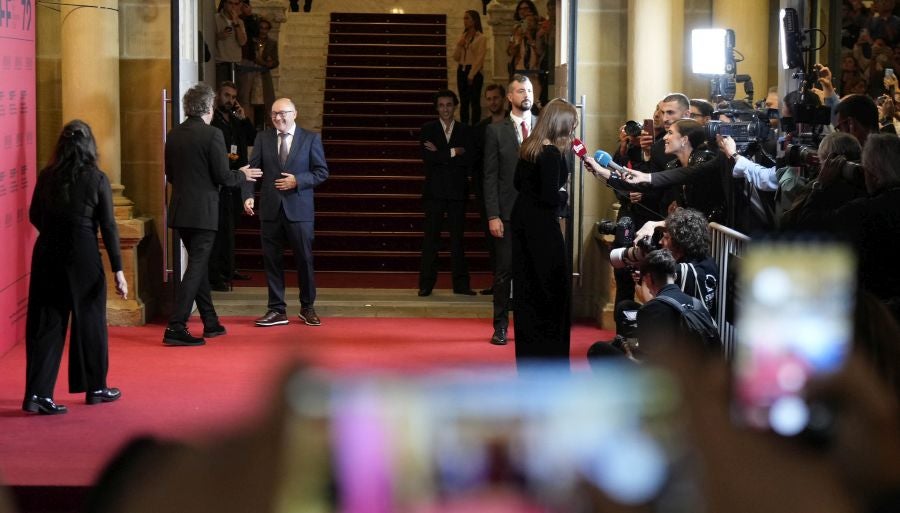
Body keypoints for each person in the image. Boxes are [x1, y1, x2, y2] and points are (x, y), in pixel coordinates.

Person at [23, 120, 128, 415]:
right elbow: (108, 226)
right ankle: (95, 387)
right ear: (89, 146)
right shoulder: (97, 178)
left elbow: (34, 215)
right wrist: (118, 269)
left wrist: (54, 233)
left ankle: (37, 394)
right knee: (90, 322)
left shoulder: (46, 176)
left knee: (47, 324)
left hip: (46, 254)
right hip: (83, 254)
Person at [165, 83, 262, 346]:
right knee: (197, 267)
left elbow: (171, 175)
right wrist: (241, 174)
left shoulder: (173, 134)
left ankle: (210, 322)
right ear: (208, 107)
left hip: (181, 211)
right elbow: (223, 176)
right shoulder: (212, 134)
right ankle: (176, 326)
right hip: (204, 213)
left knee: (198, 266)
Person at [242, 98, 329, 327]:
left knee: (304, 260)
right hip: (271, 209)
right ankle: (276, 309)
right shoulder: (263, 138)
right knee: (272, 261)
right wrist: (248, 194)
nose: (278, 118)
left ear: (294, 114)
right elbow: (253, 170)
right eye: (273, 114)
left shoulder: (310, 139)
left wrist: (297, 181)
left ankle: (307, 307)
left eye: (282, 113)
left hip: (299, 210)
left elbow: (321, 172)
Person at [510, 98, 574, 363]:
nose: (572, 131)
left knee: (527, 289)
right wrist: (563, 197)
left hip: (522, 221)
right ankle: (552, 355)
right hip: (543, 228)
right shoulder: (550, 154)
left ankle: (529, 354)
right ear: (560, 124)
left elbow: (516, 183)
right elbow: (550, 197)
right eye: (571, 125)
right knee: (553, 290)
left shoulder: (529, 147)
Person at [483, 75, 535, 345]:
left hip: (537, 213)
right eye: (520, 91)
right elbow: (490, 176)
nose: (526, 94)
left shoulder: (542, 127)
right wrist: (493, 214)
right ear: (509, 97)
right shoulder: (496, 131)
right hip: (507, 213)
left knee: (532, 272)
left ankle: (529, 325)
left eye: (529, 90)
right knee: (504, 272)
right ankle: (500, 326)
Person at [417, 89, 476, 297]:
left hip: (458, 193)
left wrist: (440, 154)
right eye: (441, 105)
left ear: (455, 106)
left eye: (449, 105)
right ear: (436, 108)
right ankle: (426, 284)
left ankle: (461, 285)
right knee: (431, 239)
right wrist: (453, 152)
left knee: (458, 240)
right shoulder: (427, 129)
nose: (445, 109)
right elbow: (428, 159)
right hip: (434, 193)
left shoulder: (465, 130)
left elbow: (468, 161)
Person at [209, 81, 257, 292]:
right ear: (218, 96)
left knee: (231, 227)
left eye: (233, 97)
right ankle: (217, 273)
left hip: (238, 178)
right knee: (220, 230)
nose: (230, 100)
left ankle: (229, 268)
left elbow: (253, 137)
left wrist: (244, 117)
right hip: (221, 180)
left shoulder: (236, 120)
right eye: (226, 96)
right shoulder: (213, 121)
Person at [635, 249, 718, 358]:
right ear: (675, 276)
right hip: (701, 373)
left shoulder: (648, 311)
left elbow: (646, 358)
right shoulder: (697, 304)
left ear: (649, 278)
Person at [472, 83, 508, 296]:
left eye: (496, 98)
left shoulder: (512, 125)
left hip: (509, 191)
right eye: (489, 98)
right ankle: (498, 283)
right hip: (487, 192)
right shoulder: (481, 128)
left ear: (503, 99)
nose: (493, 102)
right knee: (492, 241)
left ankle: (510, 286)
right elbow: (477, 163)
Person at [238, 17, 279, 129]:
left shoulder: (272, 43)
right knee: (248, 100)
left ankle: (264, 127)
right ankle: (249, 127)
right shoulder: (251, 41)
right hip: (250, 73)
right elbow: (251, 57)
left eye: (265, 28)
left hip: (264, 76)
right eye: (261, 28)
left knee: (265, 102)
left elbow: (275, 61)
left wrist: (269, 63)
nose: (263, 30)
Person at [453, 10, 486, 126]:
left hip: (474, 71)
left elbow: (479, 58)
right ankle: (464, 127)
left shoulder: (481, 37)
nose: (465, 21)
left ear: (474, 20)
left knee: (475, 101)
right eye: (464, 18)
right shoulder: (463, 36)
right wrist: (459, 45)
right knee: (464, 101)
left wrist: (471, 74)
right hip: (461, 69)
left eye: (467, 18)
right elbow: (455, 57)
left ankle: (476, 127)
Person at [507, 1, 544, 104]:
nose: (523, 12)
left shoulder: (539, 29)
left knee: (534, 102)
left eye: (526, 8)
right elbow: (510, 52)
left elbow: (540, 52)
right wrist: (518, 39)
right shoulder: (515, 30)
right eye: (521, 9)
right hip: (519, 70)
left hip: (535, 73)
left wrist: (530, 36)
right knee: (518, 102)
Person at [214, 0, 247, 85]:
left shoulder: (240, 22)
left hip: (236, 63)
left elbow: (242, 42)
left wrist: (236, 23)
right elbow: (208, 39)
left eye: (236, 4)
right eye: (230, 3)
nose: (233, 6)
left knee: (235, 92)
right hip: (220, 62)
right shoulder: (215, 18)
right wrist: (219, 36)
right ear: (224, 4)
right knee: (221, 91)